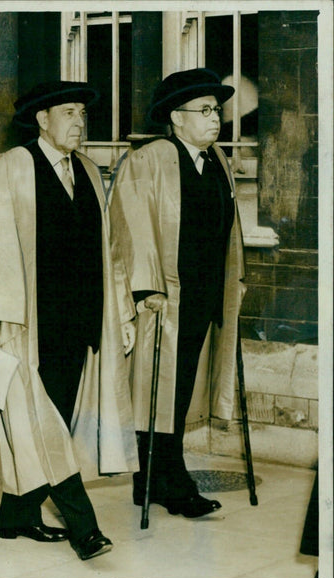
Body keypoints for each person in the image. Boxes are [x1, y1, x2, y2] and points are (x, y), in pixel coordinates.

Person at [0, 81, 139, 561]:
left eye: (81, 113)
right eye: (68, 112)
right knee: (41, 426)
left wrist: (122, 311)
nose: (79, 121)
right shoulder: (7, 170)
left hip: (81, 324)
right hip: (24, 326)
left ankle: (17, 513)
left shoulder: (90, 171)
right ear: (42, 119)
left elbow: (108, 250)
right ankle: (84, 528)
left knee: (46, 425)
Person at [108, 68, 246, 518]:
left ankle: (160, 477)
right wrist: (147, 288)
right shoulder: (148, 159)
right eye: (204, 110)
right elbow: (129, 225)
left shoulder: (218, 160)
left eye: (217, 110)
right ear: (175, 117)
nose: (215, 119)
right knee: (155, 388)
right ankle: (163, 479)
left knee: (180, 389)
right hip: (162, 300)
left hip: (202, 298)